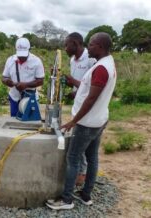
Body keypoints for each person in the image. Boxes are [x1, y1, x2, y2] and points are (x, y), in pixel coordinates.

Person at [46, 32, 117, 210]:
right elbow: (88, 90)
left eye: (92, 44)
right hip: (99, 119)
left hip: (87, 123)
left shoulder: (100, 68)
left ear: (100, 47)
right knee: (92, 158)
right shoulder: (107, 64)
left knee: (73, 158)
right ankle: (86, 195)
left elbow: (91, 98)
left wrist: (73, 121)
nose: (89, 46)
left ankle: (66, 200)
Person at [64, 32, 96, 186]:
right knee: (80, 143)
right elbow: (78, 86)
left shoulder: (90, 60)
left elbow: (92, 87)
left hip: (87, 108)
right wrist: (69, 85)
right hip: (77, 106)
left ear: (75, 43)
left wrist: (74, 83)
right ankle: (81, 174)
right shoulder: (72, 60)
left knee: (82, 145)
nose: (65, 48)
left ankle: (82, 175)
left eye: (67, 45)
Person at [2, 37, 44, 117]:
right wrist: (7, 82)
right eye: (20, 55)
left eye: (24, 55)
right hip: (14, 98)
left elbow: (40, 81)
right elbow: (4, 77)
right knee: (14, 123)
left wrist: (26, 85)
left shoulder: (36, 61)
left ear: (29, 49)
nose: (22, 58)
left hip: (30, 98)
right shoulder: (10, 60)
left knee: (31, 123)